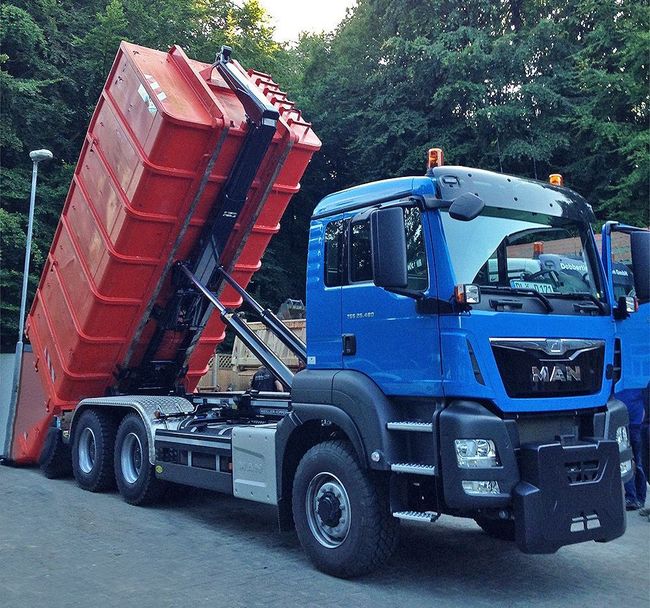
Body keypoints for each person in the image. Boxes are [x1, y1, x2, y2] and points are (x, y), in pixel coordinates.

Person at [619, 388, 647, 511]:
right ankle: (630, 497)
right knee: (625, 461)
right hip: (621, 424)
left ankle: (640, 498)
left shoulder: (638, 383)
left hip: (636, 426)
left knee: (639, 462)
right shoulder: (619, 382)